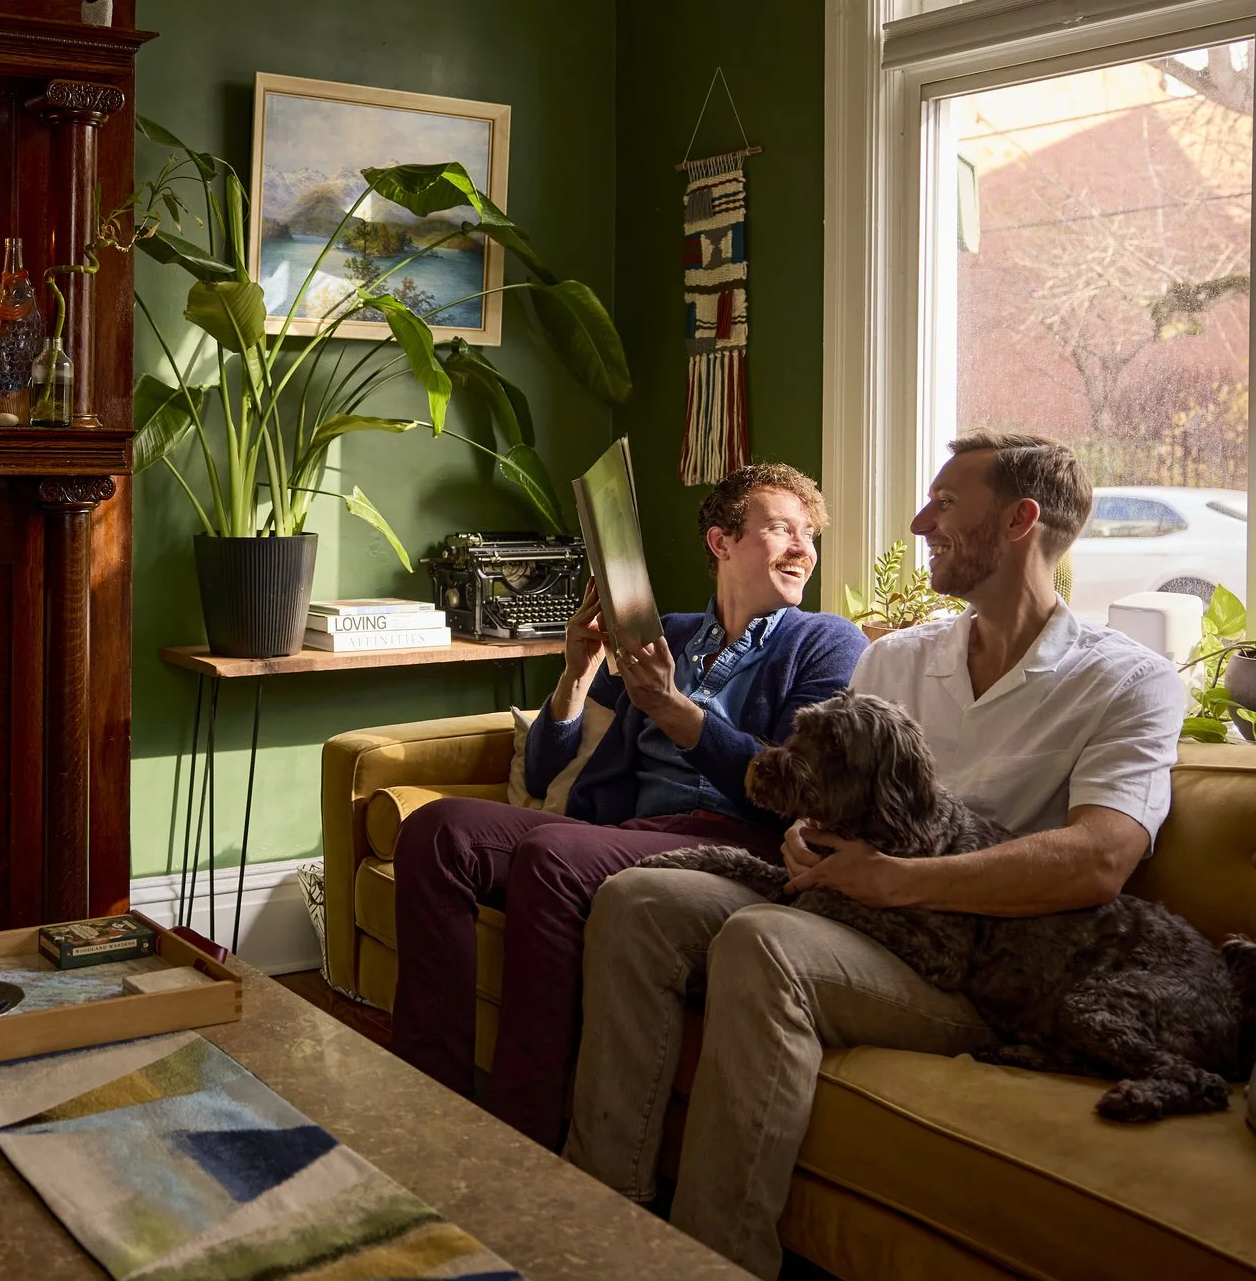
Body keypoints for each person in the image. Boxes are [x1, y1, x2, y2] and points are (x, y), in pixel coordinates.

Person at [562, 431, 1184, 1277]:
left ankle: (713, 1261)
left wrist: (902, 880)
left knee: (763, 943)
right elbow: (811, 788)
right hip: (846, 907)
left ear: (1020, 521)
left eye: (946, 503)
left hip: (968, 963)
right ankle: (599, 1225)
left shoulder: (1127, 680)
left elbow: (1100, 858)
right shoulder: (896, 658)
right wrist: (798, 833)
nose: (921, 519)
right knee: (637, 901)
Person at [390, 464, 868, 1150]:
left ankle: (521, 1134)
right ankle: (428, 1102)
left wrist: (679, 714)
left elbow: (795, 792)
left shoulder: (825, 641)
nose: (803, 549)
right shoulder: (663, 633)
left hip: (731, 847)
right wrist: (575, 678)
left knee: (555, 855)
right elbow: (550, 768)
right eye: (781, 529)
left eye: (809, 535)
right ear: (721, 540)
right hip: (629, 833)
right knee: (438, 831)